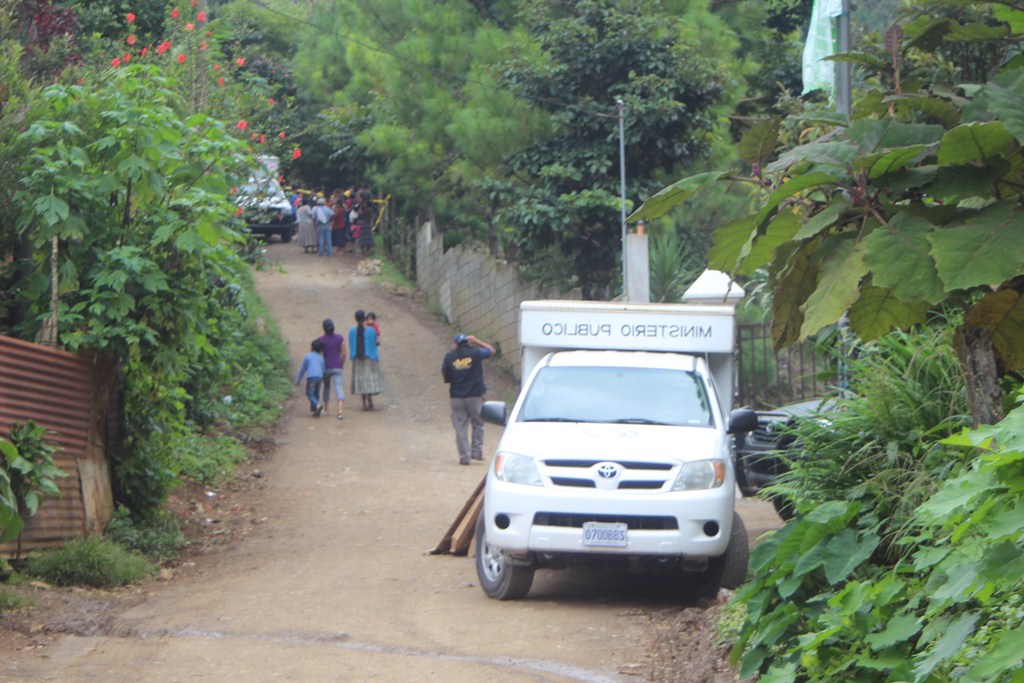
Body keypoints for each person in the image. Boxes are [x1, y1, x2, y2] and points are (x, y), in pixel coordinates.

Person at [441, 333, 495, 465]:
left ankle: (464, 457)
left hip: (457, 397)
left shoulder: (449, 357)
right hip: (475, 396)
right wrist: (477, 341)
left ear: (456, 344)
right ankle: (476, 452)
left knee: (460, 428)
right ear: (468, 343)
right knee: (478, 424)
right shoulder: (476, 353)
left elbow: (445, 375)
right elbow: (491, 351)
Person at [349, 309, 383, 410]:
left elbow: (351, 344)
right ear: (364, 318)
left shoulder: (352, 330)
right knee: (369, 379)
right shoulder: (371, 330)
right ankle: (370, 398)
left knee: (361, 380)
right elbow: (375, 344)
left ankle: (364, 403)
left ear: (355, 318)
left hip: (358, 358)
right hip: (370, 357)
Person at [318, 318, 346, 419]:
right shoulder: (340, 338)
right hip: (338, 365)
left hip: (326, 367)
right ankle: (340, 411)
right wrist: (341, 362)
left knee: (326, 387)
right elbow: (344, 353)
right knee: (339, 387)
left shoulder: (321, 340)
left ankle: (326, 409)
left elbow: (319, 354)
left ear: (324, 328)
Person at [295, 338, 325, 416]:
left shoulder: (308, 356)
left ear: (312, 347)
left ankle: (318, 405)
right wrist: (323, 379)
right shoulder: (321, 358)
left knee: (310, 394)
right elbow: (323, 369)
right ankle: (315, 410)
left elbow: (303, 369)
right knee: (316, 394)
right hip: (319, 377)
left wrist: (298, 380)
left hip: (311, 377)